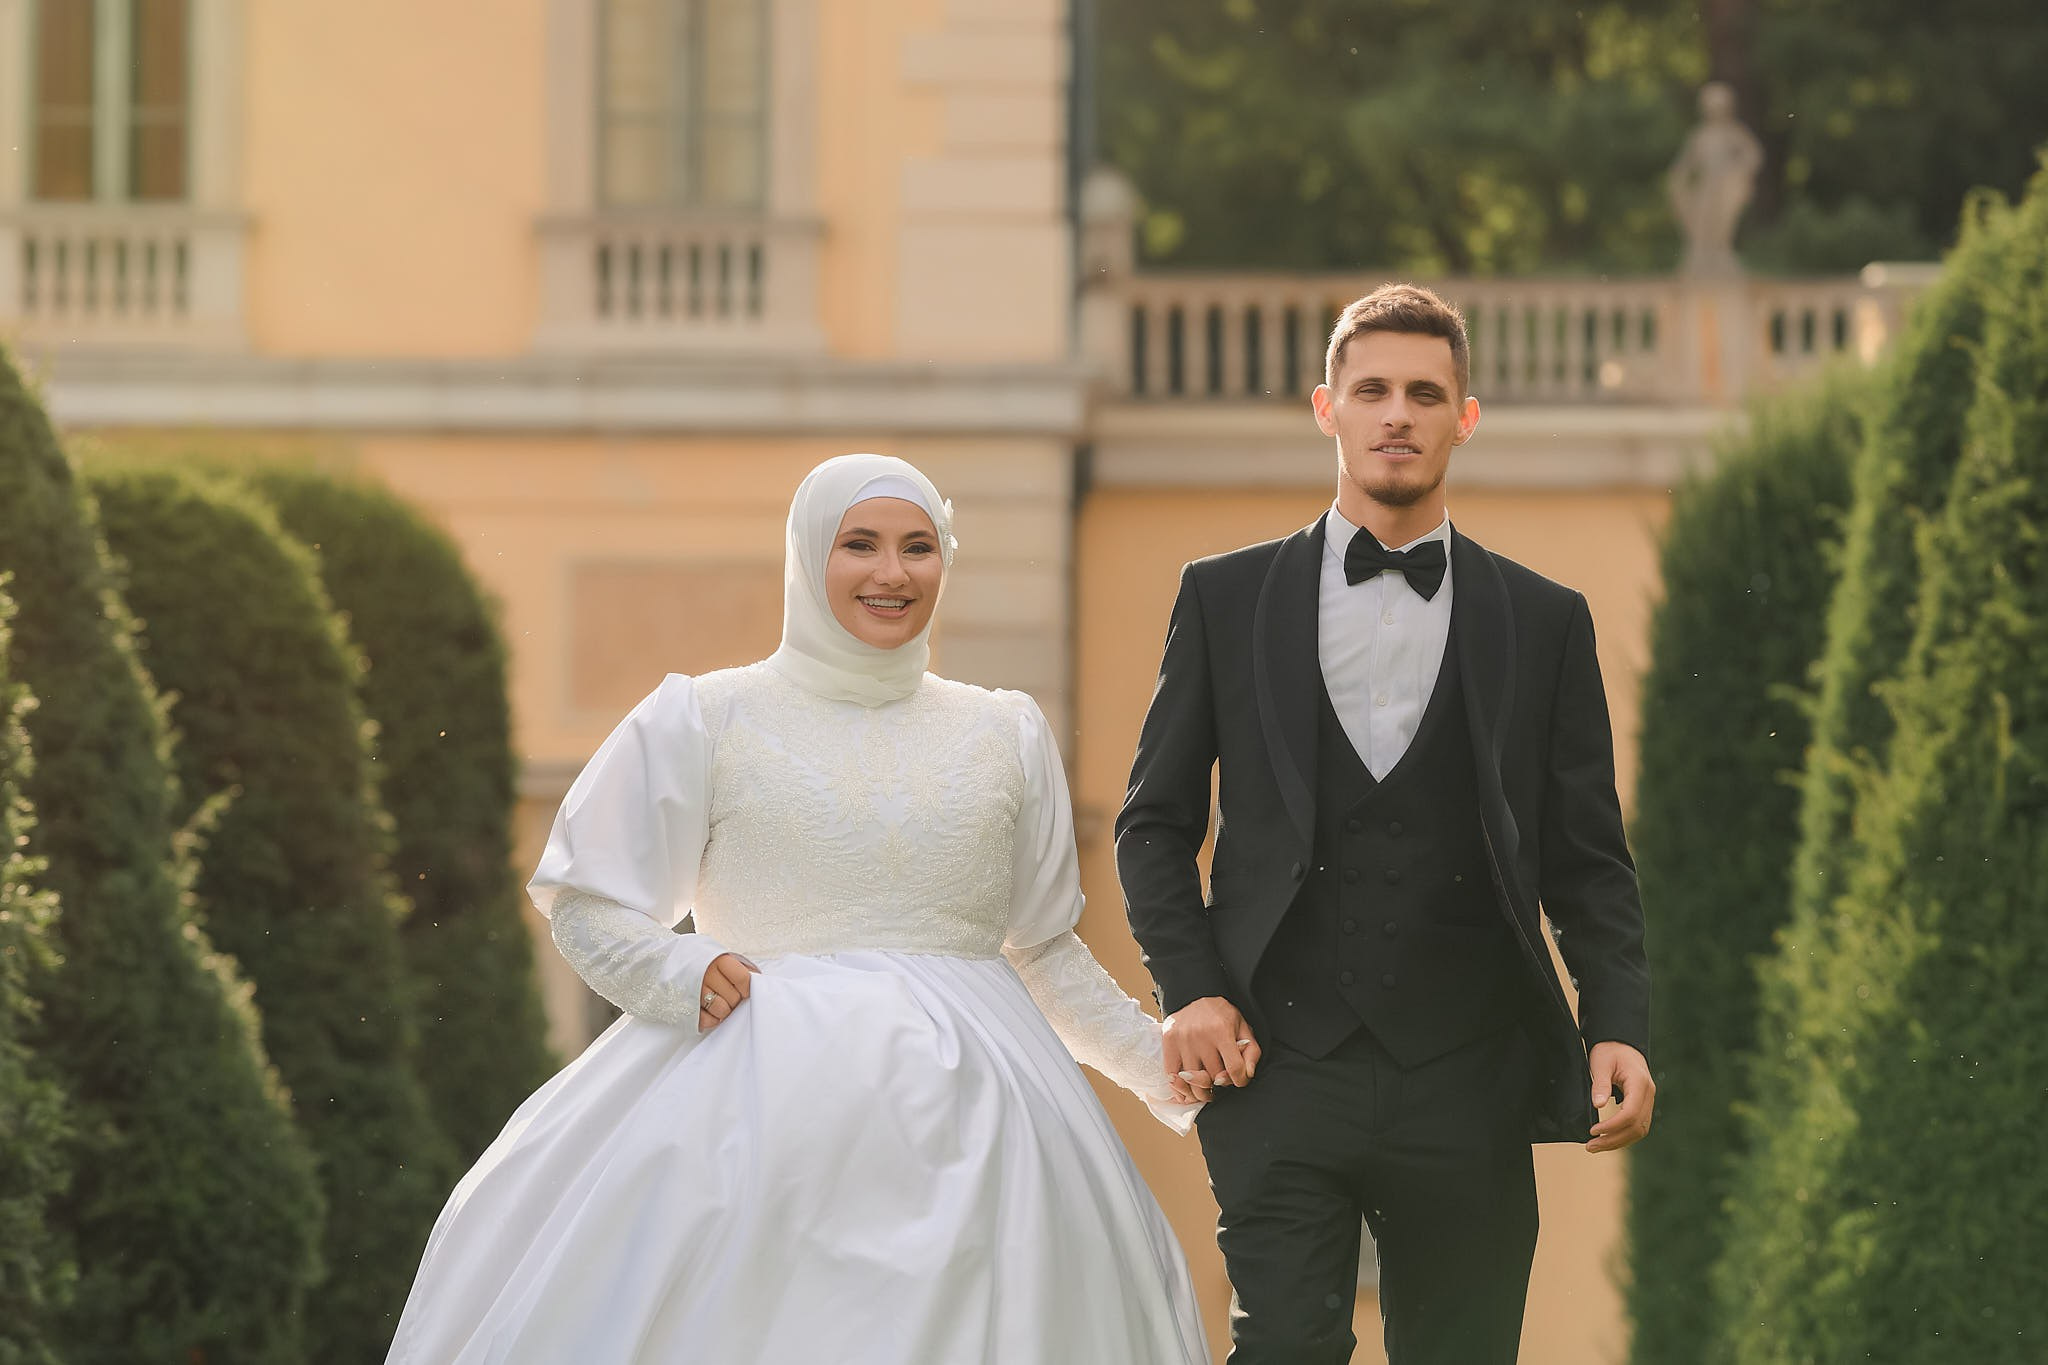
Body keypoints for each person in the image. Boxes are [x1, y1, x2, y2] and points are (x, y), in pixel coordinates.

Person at [388, 453, 1209, 1364]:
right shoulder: (705, 717)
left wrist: (1159, 1062)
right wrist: (677, 969)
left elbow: (1043, 951)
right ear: (807, 552)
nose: (892, 572)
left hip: (993, 1142)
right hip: (751, 1128)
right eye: (860, 544)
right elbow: (586, 901)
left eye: (918, 547)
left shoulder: (1006, 730)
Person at [1115, 283, 1655, 1364]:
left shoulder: (1544, 620)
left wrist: (1619, 1024)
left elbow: (1587, 860)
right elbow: (1152, 824)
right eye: (1370, 391)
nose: (1396, 414)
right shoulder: (1222, 598)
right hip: (1276, 1065)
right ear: (1327, 408)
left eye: (1423, 393)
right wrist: (1192, 990)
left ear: (1465, 416)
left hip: (1469, 1074)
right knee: (1281, 1346)